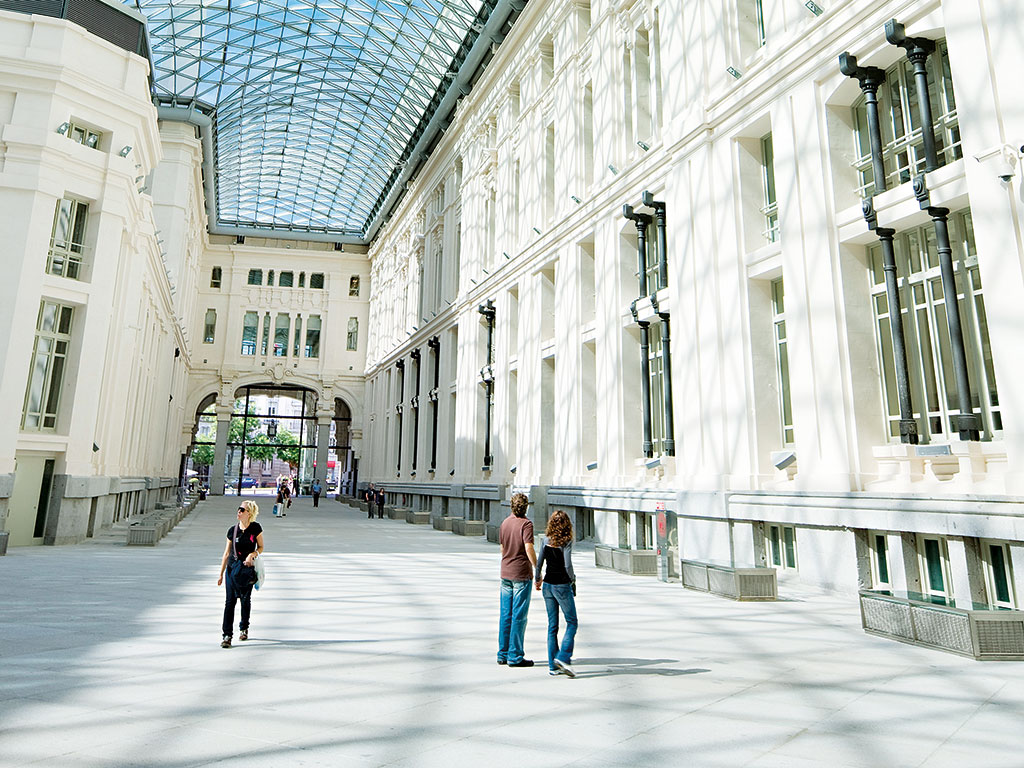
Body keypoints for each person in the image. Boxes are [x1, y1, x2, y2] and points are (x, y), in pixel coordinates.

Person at [535, 510, 578, 677]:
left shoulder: (545, 540)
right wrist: (572, 579)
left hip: (547, 585)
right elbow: (567, 565)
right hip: (561, 585)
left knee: (552, 626)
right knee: (572, 622)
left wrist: (538, 578)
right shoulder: (566, 541)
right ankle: (564, 657)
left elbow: (539, 563)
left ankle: (553, 666)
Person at [217, 500, 264, 648]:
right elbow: (226, 553)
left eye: (241, 510)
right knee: (229, 602)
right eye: (238, 509)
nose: (238, 512)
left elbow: (261, 546)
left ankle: (244, 628)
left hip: (247, 571)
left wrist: (253, 554)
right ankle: (227, 635)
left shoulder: (255, 528)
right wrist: (221, 574)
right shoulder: (232, 530)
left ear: (249, 513)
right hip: (232, 570)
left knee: (245, 600)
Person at [497, 492, 536, 668]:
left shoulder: (505, 523)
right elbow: (529, 547)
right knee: (519, 616)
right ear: (526, 506)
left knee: (506, 615)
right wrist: (538, 567)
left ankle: (503, 653)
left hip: (505, 573)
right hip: (521, 574)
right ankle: (515, 655)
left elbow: (502, 548)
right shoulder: (526, 524)